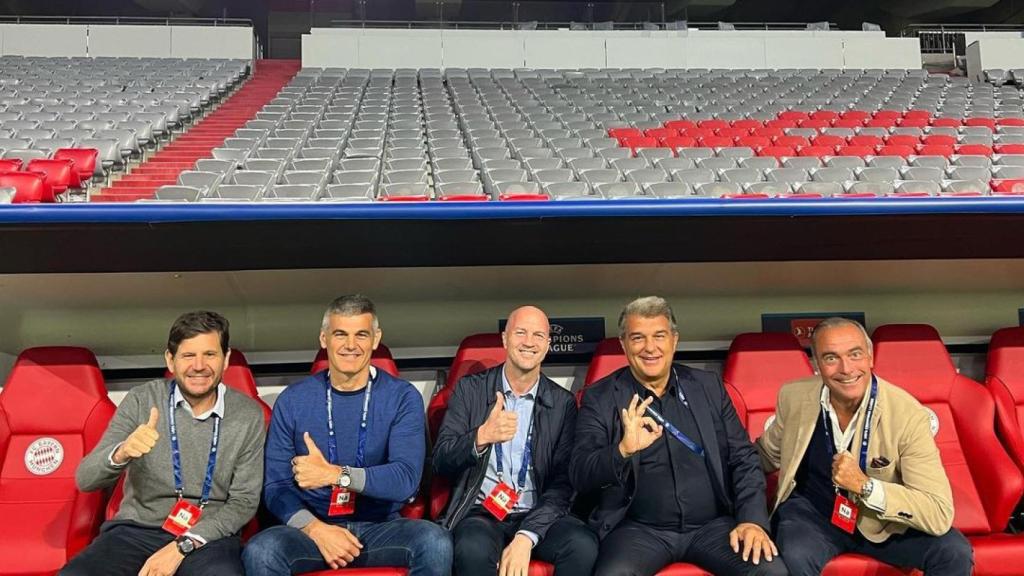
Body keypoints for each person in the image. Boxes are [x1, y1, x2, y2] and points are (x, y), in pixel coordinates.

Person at [570, 296, 786, 576]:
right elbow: (580, 472)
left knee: (771, 571)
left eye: (659, 336)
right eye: (638, 338)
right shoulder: (600, 397)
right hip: (638, 531)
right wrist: (621, 450)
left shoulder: (708, 388)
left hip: (713, 527)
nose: (650, 348)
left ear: (674, 339)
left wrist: (752, 521)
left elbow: (743, 459)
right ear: (623, 345)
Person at [243, 294, 451, 576]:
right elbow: (276, 486)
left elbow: (405, 481)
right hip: (313, 529)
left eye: (361, 335)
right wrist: (316, 529)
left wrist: (335, 475)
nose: (351, 345)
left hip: (381, 527)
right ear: (323, 338)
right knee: (262, 551)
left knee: (435, 542)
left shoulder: (402, 397)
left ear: (376, 339)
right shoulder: (292, 400)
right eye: (340, 334)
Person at [757, 317, 973, 575]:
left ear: (871, 358)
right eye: (830, 358)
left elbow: (937, 512)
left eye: (855, 354)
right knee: (792, 555)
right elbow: (764, 455)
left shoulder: (907, 415)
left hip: (881, 521)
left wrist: (866, 487)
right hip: (811, 515)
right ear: (817, 364)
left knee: (953, 551)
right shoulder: (793, 396)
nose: (846, 369)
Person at [62, 311, 266, 576]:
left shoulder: (247, 414)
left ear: (226, 359)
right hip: (135, 531)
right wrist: (123, 452)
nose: (199, 365)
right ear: (170, 360)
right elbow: (85, 479)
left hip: (207, 536)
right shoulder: (141, 400)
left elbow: (244, 502)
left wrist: (181, 546)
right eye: (188, 355)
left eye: (210, 354)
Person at [433, 306, 598, 576]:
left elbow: (564, 483)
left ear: (547, 346)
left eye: (538, 335)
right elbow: (441, 460)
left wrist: (527, 535)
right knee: (471, 548)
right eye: (520, 333)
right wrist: (481, 437)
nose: (529, 342)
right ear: (505, 339)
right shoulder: (470, 389)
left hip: (540, 513)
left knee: (582, 545)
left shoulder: (562, 403)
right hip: (482, 513)